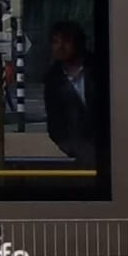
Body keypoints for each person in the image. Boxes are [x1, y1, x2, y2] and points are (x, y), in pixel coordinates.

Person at [42, 20, 105, 168]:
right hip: (79, 154)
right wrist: (74, 149)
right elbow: (55, 124)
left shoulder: (100, 69)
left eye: (66, 41)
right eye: (56, 42)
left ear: (78, 42)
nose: (60, 47)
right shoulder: (52, 80)